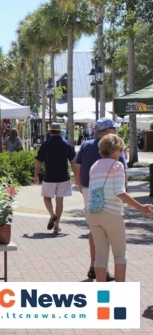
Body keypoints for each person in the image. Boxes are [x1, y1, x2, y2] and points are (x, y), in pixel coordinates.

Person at [87, 134, 152, 283]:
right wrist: (141, 207)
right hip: (112, 213)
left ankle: (101, 296)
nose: (122, 153)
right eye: (121, 149)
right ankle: (119, 295)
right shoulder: (117, 166)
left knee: (100, 256)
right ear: (114, 149)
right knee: (120, 254)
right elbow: (120, 192)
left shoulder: (94, 166)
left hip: (93, 213)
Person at [73, 117, 127, 281]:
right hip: (111, 193)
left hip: (90, 190)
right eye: (113, 129)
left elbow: (76, 166)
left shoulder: (86, 145)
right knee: (118, 247)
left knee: (95, 229)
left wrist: (81, 186)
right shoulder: (114, 148)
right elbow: (122, 176)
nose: (115, 132)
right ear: (107, 131)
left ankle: (93, 266)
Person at [33, 123, 76, 234]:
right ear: (60, 131)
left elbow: (39, 162)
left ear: (50, 131)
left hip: (49, 176)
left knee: (47, 198)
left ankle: (52, 214)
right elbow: (73, 162)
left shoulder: (46, 144)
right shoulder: (67, 144)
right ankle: (57, 225)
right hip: (63, 177)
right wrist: (76, 176)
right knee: (59, 201)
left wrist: (36, 175)